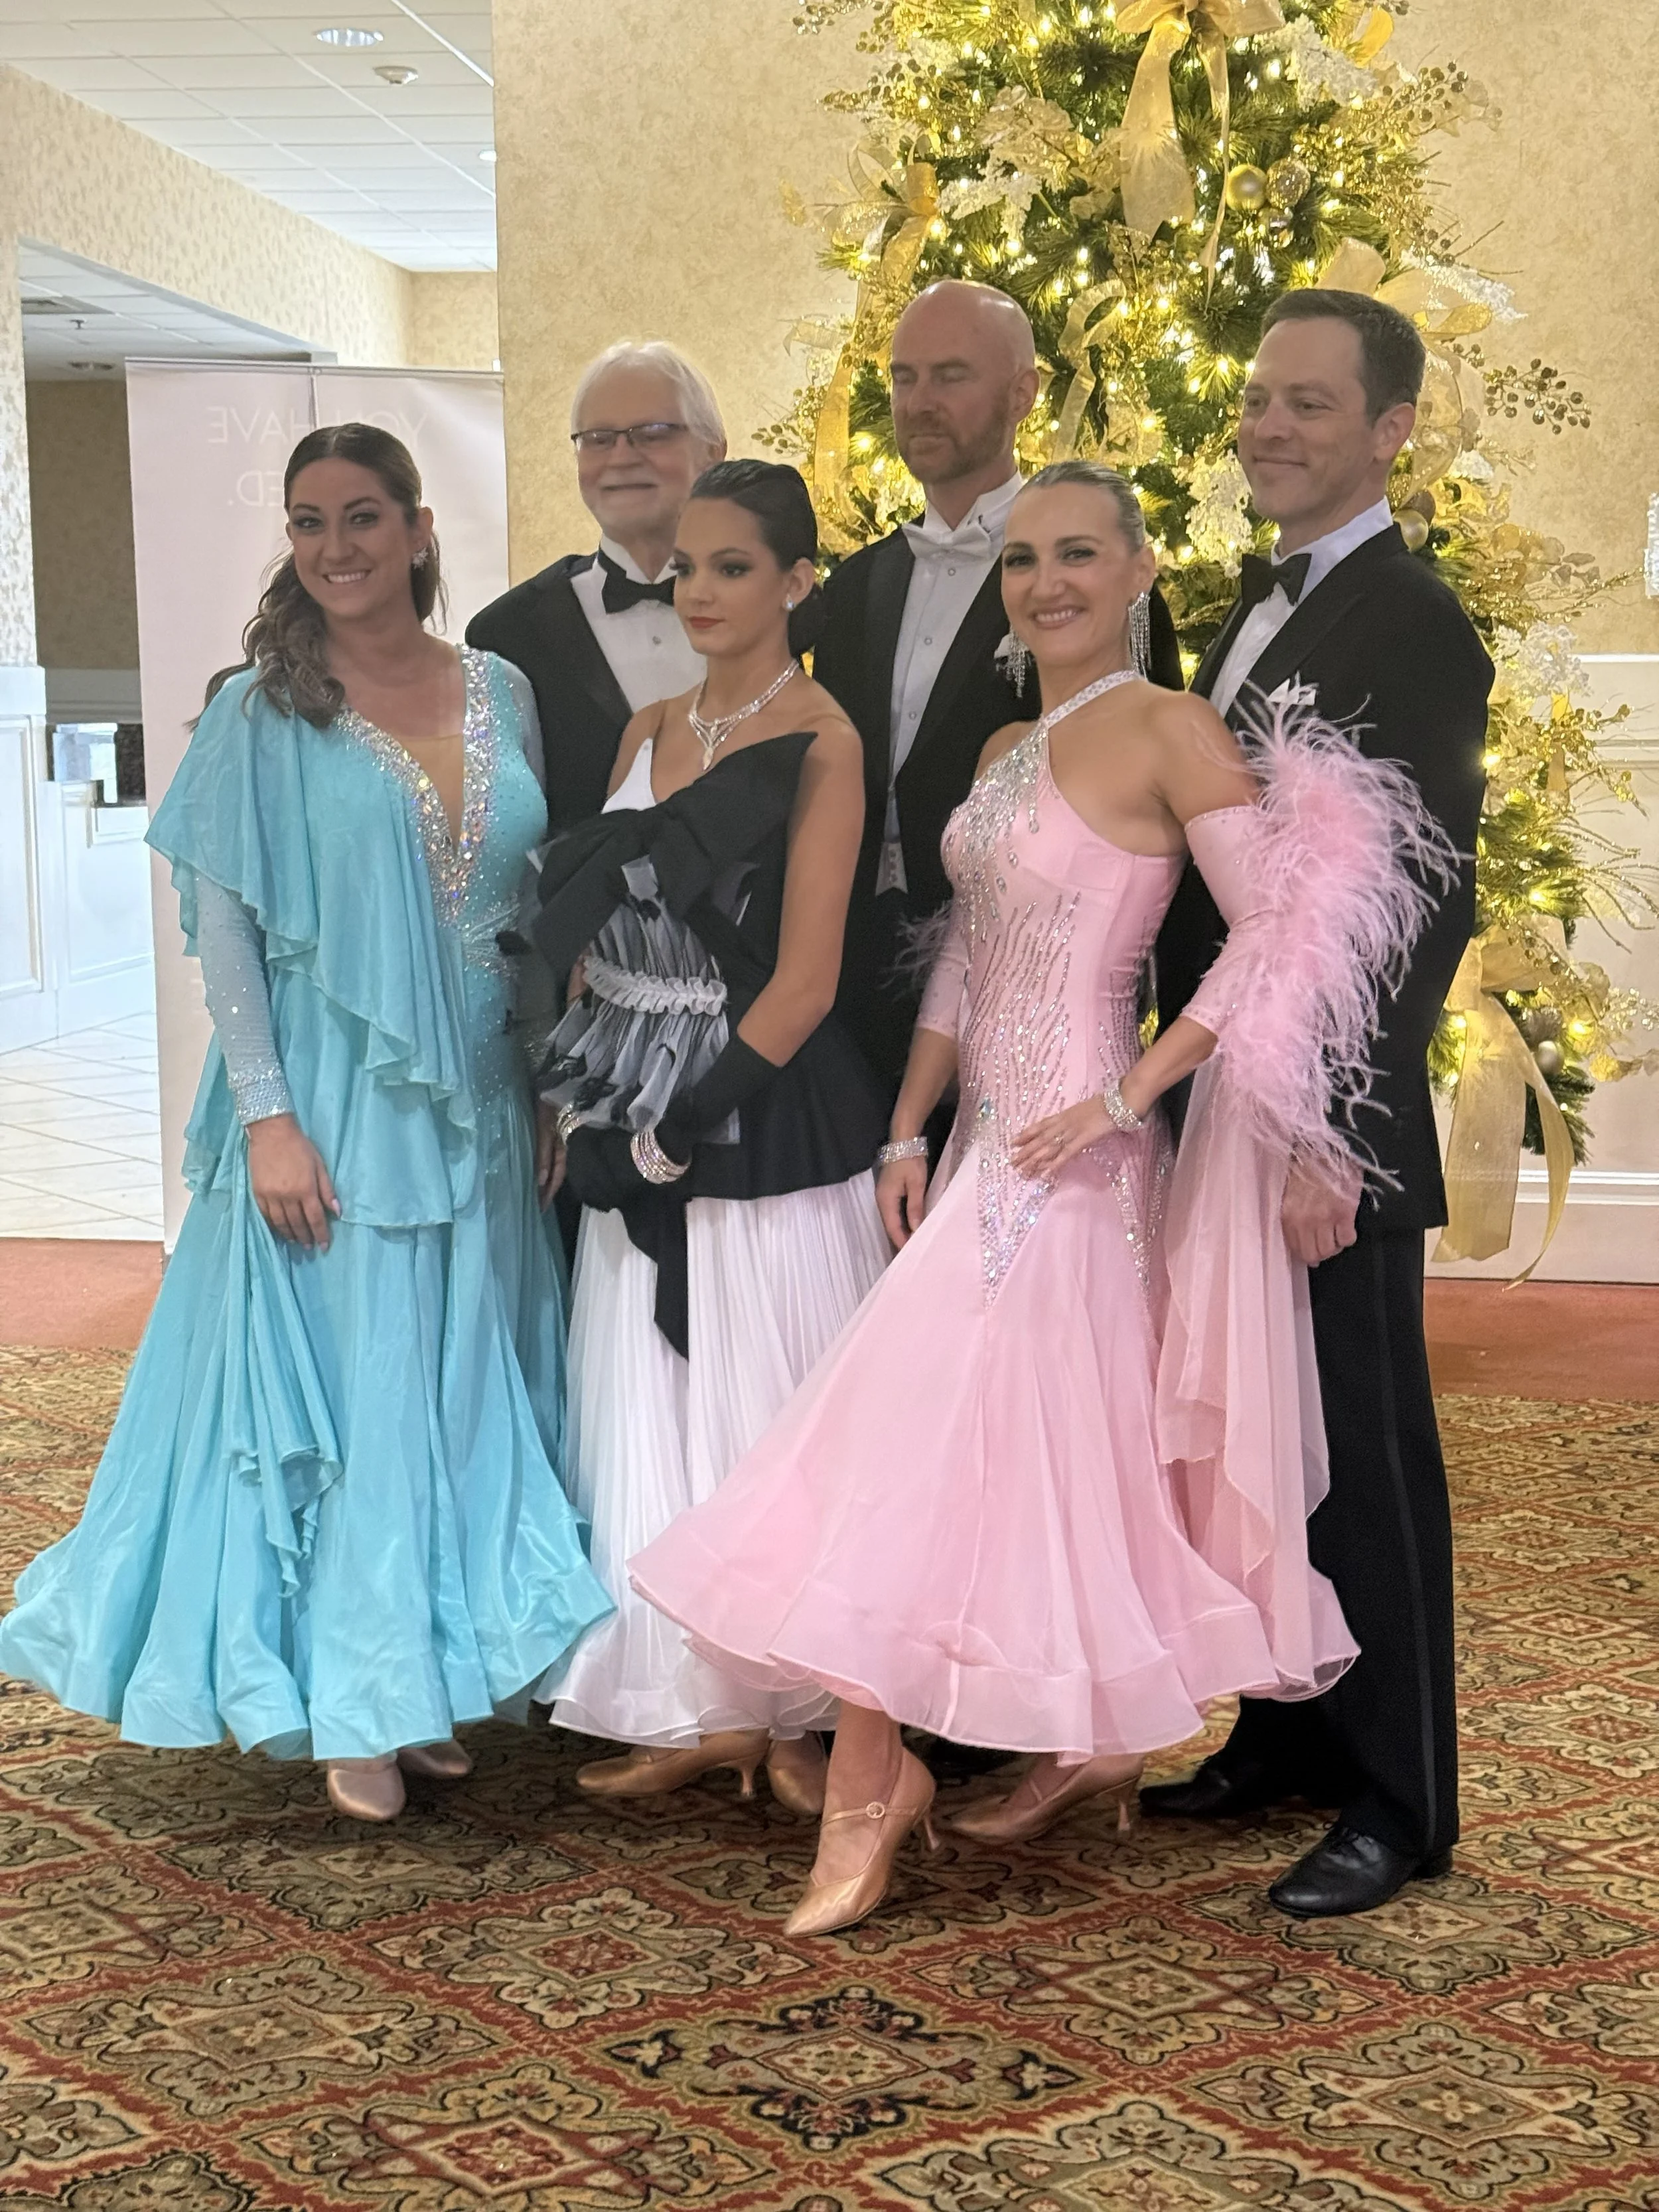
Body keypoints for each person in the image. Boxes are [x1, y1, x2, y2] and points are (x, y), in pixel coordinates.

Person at [633, 460, 1452, 1935]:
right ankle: (1093, 1746)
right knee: (1016, 1463)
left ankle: (879, 1778)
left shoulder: (1169, 728)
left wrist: (1125, 1096)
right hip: (977, 1152)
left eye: (1077, 554)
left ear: (1139, 570)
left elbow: (1274, 934)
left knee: (912, 1444)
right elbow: (961, 953)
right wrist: (902, 1126)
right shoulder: (1010, 737)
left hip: (1079, 1163)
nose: (1045, 582)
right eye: (1020, 561)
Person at [0, 424, 612, 1822]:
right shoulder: (259, 709)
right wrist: (268, 1119)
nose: (335, 546)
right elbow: (222, 928)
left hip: (474, 1087)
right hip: (329, 1099)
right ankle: (351, 1684)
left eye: (361, 516)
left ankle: (425, 1666)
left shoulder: (499, 687)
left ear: (413, 527)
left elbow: (526, 910)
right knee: (360, 1390)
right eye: (308, 521)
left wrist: (543, 1082)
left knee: (460, 1386)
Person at [1142, 289, 1493, 1919]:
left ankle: (1399, 1796)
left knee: (1365, 1448)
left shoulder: (1415, 621)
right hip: (1224, 1090)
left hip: (1322, 1118)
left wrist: (1329, 1128)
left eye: (1309, 403)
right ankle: (1283, 1736)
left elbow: (1411, 904)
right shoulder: (1251, 601)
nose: (1269, 427)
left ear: (1389, 429)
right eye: (1258, 401)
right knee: (1264, 1434)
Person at [531, 459, 889, 1815]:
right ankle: (691, 1695)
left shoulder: (825, 737)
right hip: (624, 1095)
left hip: (754, 1114)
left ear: (797, 580)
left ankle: (787, 1708)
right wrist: (582, 1092)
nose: (699, 591)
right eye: (684, 567)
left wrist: (682, 1121)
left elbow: (804, 982)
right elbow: (589, 933)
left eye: (732, 566)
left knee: (758, 1409)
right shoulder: (645, 725)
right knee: (646, 1396)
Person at [815, 280, 1184, 1101]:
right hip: (846, 1005)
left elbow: (1154, 813)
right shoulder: (855, 585)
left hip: (1026, 1010)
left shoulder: (1094, 586)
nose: (919, 402)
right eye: (905, 378)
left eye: (950, 375)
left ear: (1024, 394)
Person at [466, 342, 727, 834]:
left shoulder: (780, 613)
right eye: (599, 438)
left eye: (653, 433)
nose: (622, 457)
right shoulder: (505, 636)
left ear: (713, 452)